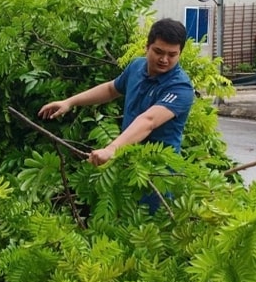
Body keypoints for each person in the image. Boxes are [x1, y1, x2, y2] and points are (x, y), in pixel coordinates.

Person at [38, 18, 195, 209]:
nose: (164, 60)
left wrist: (111, 149)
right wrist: (70, 102)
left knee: (149, 230)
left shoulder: (181, 87)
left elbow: (149, 121)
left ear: (180, 54)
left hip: (158, 174)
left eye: (172, 55)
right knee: (122, 222)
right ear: (147, 47)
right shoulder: (136, 66)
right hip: (126, 163)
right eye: (158, 52)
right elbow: (112, 89)